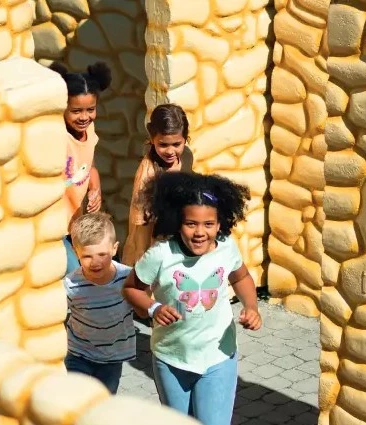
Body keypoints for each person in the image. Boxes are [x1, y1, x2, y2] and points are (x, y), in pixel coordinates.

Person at [122, 171, 262, 425]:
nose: (200, 232)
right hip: (171, 358)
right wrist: (152, 307)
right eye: (191, 223)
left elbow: (240, 278)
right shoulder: (161, 254)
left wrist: (251, 306)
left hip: (218, 357)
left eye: (209, 224)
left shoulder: (226, 246)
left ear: (220, 223)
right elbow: (131, 288)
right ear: (177, 222)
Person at [64, 212, 136, 394]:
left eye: (102, 254)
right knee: (75, 399)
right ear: (75, 252)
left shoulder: (128, 278)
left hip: (112, 357)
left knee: (103, 402)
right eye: (87, 256)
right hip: (78, 353)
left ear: (114, 248)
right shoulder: (71, 284)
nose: (96, 262)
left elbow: (147, 301)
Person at [50, 61, 112, 274]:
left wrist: (95, 187)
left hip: (74, 223)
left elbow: (89, 164)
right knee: (75, 274)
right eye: (76, 111)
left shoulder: (89, 130)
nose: (85, 117)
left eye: (90, 110)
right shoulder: (59, 136)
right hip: (56, 224)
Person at [122, 103, 194, 267]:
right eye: (163, 144)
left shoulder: (187, 157)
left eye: (176, 144)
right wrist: (142, 262)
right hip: (155, 245)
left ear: (185, 140)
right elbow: (141, 225)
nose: (170, 151)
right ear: (152, 139)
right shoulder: (148, 174)